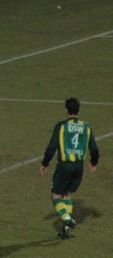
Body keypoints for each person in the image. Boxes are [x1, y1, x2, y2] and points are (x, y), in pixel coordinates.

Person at [39, 97, 99, 240]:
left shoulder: (61, 126)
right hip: (79, 167)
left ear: (66, 110)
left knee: (55, 195)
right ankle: (66, 230)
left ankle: (68, 221)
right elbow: (94, 149)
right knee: (66, 194)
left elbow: (51, 147)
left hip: (65, 166)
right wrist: (94, 162)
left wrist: (45, 163)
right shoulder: (86, 126)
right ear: (79, 110)